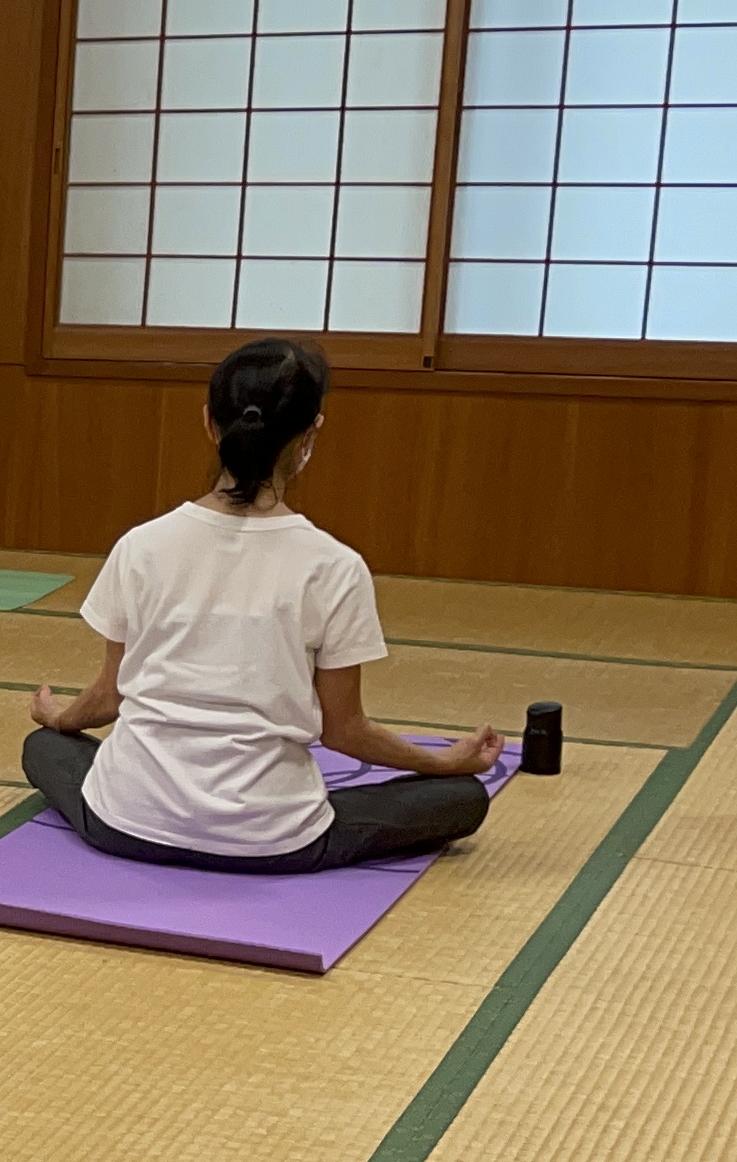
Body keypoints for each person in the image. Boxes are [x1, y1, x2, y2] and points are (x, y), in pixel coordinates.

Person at [27, 338, 501, 873]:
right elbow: (344, 731)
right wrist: (442, 762)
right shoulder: (335, 565)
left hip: (126, 823)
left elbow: (110, 697)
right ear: (310, 435)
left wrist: (59, 718)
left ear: (209, 422)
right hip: (273, 841)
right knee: (461, 797)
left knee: (43, 747)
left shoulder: (142, 544)